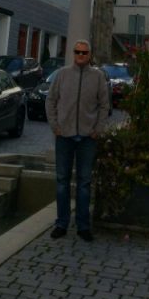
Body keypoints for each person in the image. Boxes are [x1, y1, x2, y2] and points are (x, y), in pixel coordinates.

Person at [45, 39, 110, 241]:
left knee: (84, 183)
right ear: (73, 53)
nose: (80, 55)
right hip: (64, 136)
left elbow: (104, 105)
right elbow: (51, 100)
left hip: (87, 137)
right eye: (77, 52)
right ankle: (61, 223)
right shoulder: (63, 74)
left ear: (90, 54)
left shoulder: (98, 77)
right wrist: (55, 126)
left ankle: (83, 226)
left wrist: (97, 129)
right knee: (62, 182)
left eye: (84, 52)